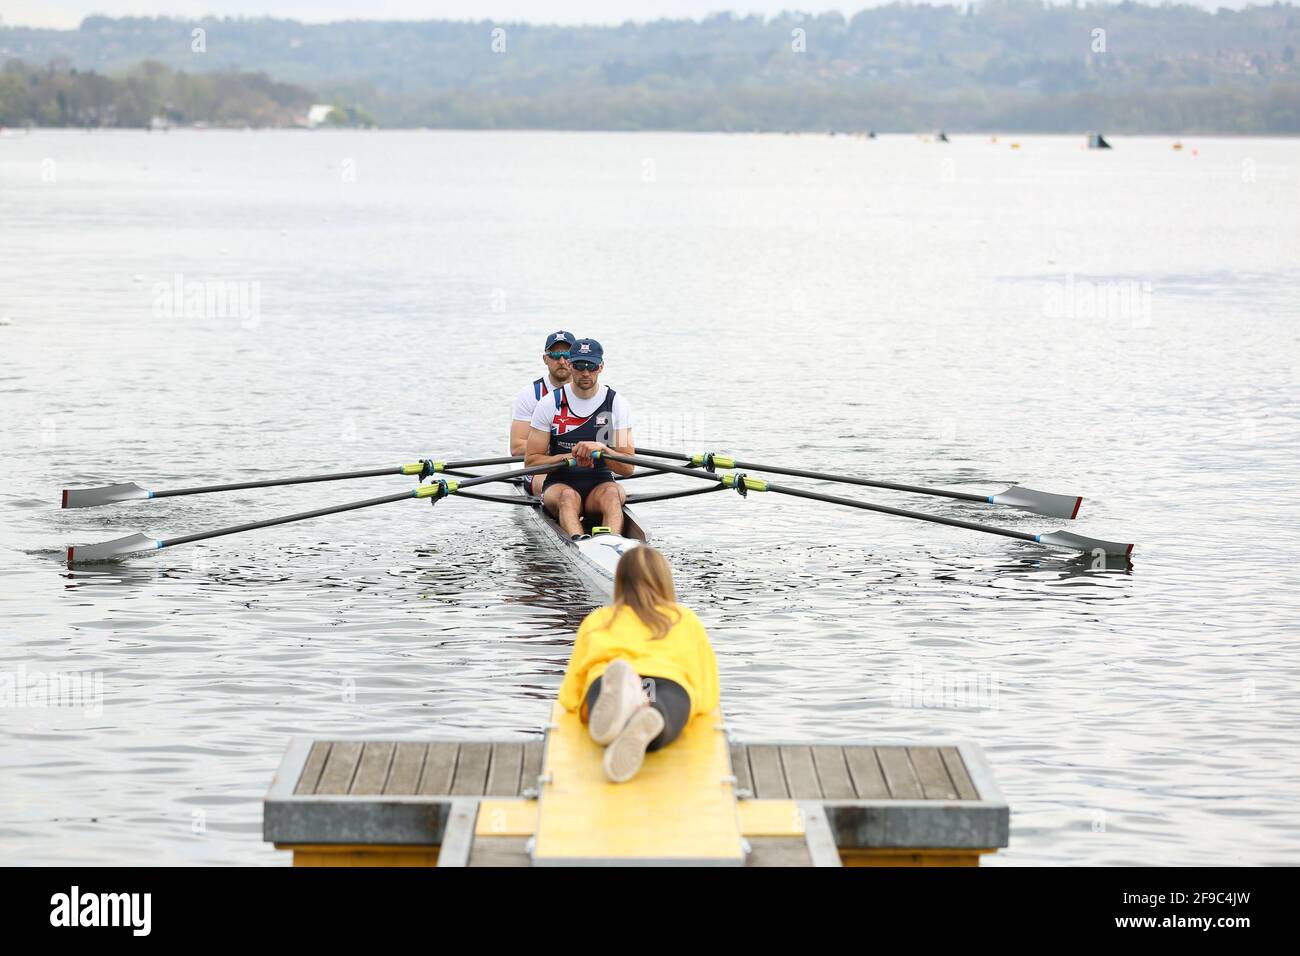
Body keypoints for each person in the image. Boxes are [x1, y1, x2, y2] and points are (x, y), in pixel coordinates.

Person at [557, 546, 720, 783]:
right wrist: (698, 705)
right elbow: (706, 686)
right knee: (666, 714)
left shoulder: (599, 618)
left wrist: (577, 705)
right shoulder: (684, 619)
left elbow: (571, 691)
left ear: (620, 582)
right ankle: (651, 714)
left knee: (600, 697)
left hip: (606, 677)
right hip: (669, 681)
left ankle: (622, 706)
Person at [524, 338, 635, 540]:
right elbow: (531, 461)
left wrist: (603, 449)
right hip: (559, 484)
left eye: (591, 366)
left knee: (613, 494)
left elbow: (627, 468)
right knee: (568, 497)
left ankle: (612, 545)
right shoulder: (550, 404)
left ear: (600, 367)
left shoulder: (616, 403)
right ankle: (578, 541)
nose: (585, 373)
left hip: (599, 484)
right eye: (579, 365)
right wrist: (569, 457)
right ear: (570, 365)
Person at [510, 331, 576, 496]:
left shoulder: (592, 393)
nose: (561, 361)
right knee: (561, 492)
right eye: (555, 355)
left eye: (567, 355)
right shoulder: (531, 394)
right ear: (545, 359)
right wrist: (560, 450)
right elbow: (517, 447)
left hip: (580, 465)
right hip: (543, 468)